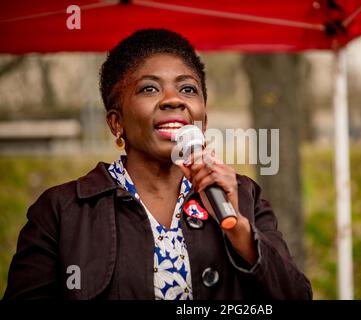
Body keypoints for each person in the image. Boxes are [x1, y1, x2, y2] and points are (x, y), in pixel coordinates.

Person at [3, 29, 312, 300]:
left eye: (188, 89)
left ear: (203, 119)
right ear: (116, 122)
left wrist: (240, 229)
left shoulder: (244, 196)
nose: (173, 100)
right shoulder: (61, 211)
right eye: (149, 88)